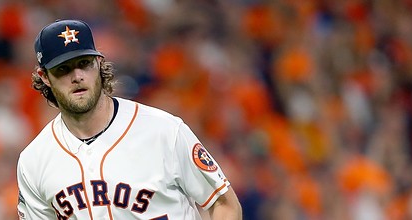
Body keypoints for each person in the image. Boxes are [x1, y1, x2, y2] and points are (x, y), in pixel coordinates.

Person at [16, 19, 242, 220]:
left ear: (99, 64)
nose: (77, 76)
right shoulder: (34, 161)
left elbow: (224, 204)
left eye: (84, 63)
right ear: (44, 77)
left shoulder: (164, 131)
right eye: (63, 69)